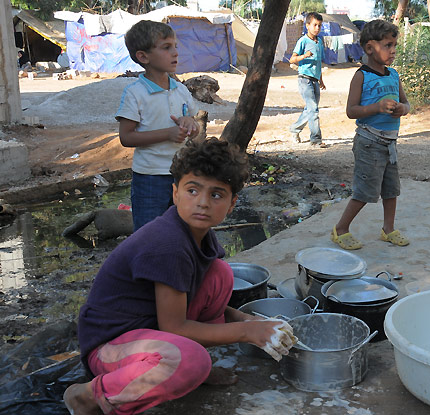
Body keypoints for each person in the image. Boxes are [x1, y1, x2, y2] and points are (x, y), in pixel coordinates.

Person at [63, 138, 296, 415]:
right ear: (175, 193)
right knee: (190, 362)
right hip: (110, 345)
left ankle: (190, 365)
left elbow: (200, 307)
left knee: (220, 274)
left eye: (216, 195)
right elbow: (174, 327)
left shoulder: (199, 238)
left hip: (151, 330)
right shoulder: (167, 244)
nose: (202, 203)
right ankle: (86, 396)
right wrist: (248, 331)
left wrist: (248, 319)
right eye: (192, 190)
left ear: (232, 203)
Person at [331, 19, 410, 250]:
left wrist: (403, 109)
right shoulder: (361, 77)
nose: (393, 50)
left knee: (391, 190)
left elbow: (406, 102)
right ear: (369, 48)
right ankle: (341, 229)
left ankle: (388, 229)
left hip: (390, 144)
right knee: (365, 191)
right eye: (387, 45)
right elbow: (351, 111)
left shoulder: (393, 75)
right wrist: (376, 107)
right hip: (369, 141)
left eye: (394, 45)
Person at [115, 20, 200, 231]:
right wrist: (168, 134)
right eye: (166, 47)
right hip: (149, 178)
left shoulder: (180, 90)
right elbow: (126, 137)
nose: (175, 53)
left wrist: (191, 123)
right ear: (143, 57)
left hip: (182, 175)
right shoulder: (135, 93)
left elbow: (196, 129)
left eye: (175, 46)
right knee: (149, 234)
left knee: (184, 231)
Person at [289, 12, 327, 147]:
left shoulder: (319, 42)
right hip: (304, 79)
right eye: (315, 25)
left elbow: (318, 62)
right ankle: (316, 140)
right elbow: (292, 59)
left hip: (315, 80)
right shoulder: (303, 41)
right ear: (307, 26)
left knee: (311, 109)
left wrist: (321, 79)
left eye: (319, 26)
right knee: (313, 110)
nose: (317, 28)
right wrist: (304, 56)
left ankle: (294, 129)